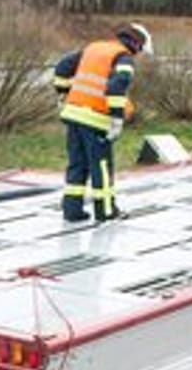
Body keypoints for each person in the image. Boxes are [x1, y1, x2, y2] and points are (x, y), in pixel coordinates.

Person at [51, 21, 150, 223]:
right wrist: (116, 118)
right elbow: (117, 86)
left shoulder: (94, 48)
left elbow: (62, 68)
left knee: (77, 165)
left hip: (73, 114)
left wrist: (63, 94)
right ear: (136, 45)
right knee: (101, 167)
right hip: (96, 119)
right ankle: (105, 211)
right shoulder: (123, 58)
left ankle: (72, 211)